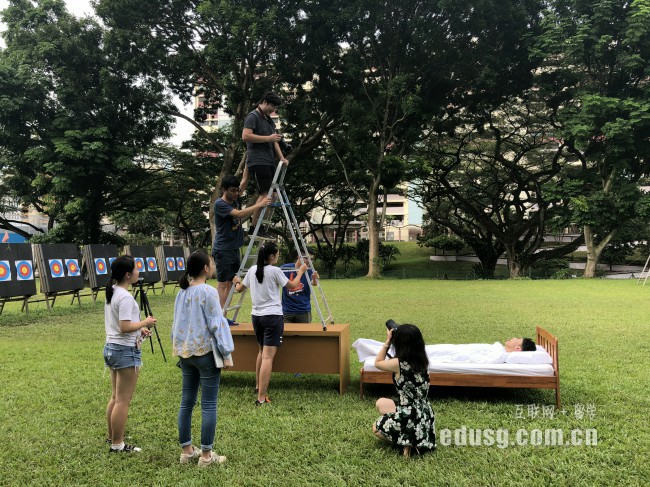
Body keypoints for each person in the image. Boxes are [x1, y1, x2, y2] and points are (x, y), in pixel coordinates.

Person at [171, 250, 234, 467]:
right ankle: (206, 456)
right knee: (209, 404)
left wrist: (179, 349)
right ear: (206, 269)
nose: (214, 266)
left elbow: (176, 324)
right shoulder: (209, 291)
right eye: (212, 263)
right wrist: (226, 353)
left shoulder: (182, 292)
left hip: (186, 353)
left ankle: (187, 452)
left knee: (186, 402)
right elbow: (217, 323)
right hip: (206, 354)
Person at [231, 241, 307, 405]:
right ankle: (261, 398)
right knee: (267, 357)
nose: (278, 256)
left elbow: (239, 289)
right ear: (271, 256)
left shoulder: (252, 270)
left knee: (261, 352)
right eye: (277, 254)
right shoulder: (275, 271)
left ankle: (258, 386)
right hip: (272, 317)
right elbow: (293, 286)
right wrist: (301, 272)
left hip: (256, 317)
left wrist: (236, 281)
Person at [104, 255, 157, 453]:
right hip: (124, 351)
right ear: (128, 274)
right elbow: (125, 327)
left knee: (115, 397)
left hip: (112, 348)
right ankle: (118, 444)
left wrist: (139, 329)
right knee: (122, 400)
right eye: (135, 269)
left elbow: (122, 325)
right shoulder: (125, 297)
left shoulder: (113, 291)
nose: (138, 272)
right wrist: (146, 322)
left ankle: (112, 437)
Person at [372, 324, 437, 457]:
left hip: (407, 412)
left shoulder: (398, 363)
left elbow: (377, 362)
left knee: (376, 428)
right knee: (381, 403)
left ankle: (405, 443)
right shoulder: (423, 362)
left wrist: (387, 342)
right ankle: (414, 440)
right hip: (425, 413)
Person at [213, 174, 271, 308]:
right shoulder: (220, 204)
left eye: (237, 190)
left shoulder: (235, 199)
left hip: (234, 249)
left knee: (231, 283)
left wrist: (248, 165)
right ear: (224, 190)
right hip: (223, 249)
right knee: (223, 283)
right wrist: (260, 204)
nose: (236, 193)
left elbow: (244, 180)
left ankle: (225, 311)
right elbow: (239, 214)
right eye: (232, 190)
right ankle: (220, 314)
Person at [241, 91, 289, 235]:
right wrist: (268, 138)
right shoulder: (253, 116)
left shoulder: (268, 120)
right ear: (265, 102)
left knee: (273, 195)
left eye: (275, 108)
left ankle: (261, 226)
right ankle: (254, 227)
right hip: (258, 159)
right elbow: (246, 136)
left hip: (269, 160)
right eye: (272, 106)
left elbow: (274, 141)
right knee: (266, 194)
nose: (273, 110)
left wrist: (282, 158)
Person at [280, 249, 319, 323]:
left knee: (304, 330)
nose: (309, 261)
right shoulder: (285, 268)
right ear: (299, 256)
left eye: (311, 259)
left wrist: (314, 279)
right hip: (287, 311)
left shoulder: (309, 270)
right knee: (285, 330)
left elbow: (313, 283)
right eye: (307, 258)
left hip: (303, 311)